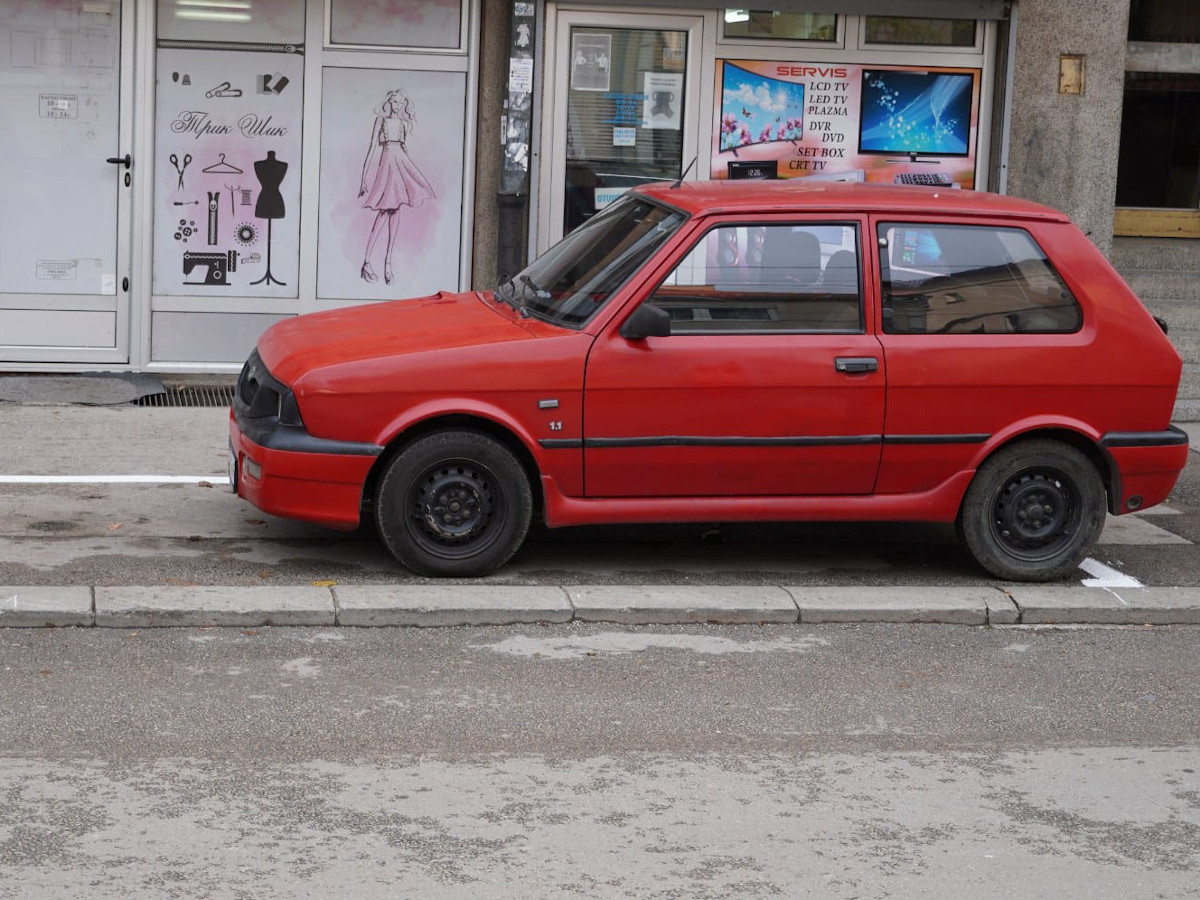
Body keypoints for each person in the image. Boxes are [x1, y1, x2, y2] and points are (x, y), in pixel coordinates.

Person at [358, 89, 435, 285]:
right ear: (389, 102)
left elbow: (404, 148)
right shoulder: (381, 121)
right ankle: (367, 261)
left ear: (404, 104)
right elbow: (372, 147)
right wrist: (364, 177)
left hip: (400, 161)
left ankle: (387, 262)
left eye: (400, 103)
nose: (397, 106)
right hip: (387, 163)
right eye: (394, 102)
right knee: (385, 211)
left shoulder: (403, 124)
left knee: (396, 209)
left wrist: (410, 173)